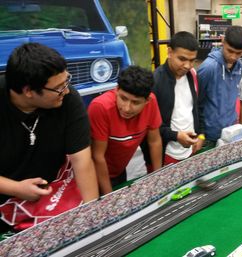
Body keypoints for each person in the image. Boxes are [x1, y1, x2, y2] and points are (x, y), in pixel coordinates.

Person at [0, 43, 99, 230]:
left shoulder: (68, 99)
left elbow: (82, 162)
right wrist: (16, 188)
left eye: (66, 81)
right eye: (59, 87)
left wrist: (91, 215)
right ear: (28, 91)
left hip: (49, 199)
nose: (66, 91)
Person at [88, 66, 162, 194]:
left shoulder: (152, 102)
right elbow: (97, 156)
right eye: (123, 98)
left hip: (120, 171)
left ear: (147, 101)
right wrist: (109, 197)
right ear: (117, 90)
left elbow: (154, 141)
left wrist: (158, 177)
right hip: (94, 175)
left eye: (135, 102)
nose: (127, 108)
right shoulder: (100, 107)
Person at [151, 31, 204, 166]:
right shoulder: (155, 81)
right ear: (169, 52)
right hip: (167, 155)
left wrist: (201, 135)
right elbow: (152, 127)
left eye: (192, 60)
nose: (187, 65)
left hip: (191, 150)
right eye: (182, 59)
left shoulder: (192, 74)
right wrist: (176, 136)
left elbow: (198, 107)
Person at [198, 26, 242, 146]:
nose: (233, 57)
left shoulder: (240, 66)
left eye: (238, 53)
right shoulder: (208, 68)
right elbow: (196, 103)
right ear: (223, 42)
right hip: (208, 137)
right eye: (230, 51)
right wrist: (200, 133)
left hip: (230, 132)